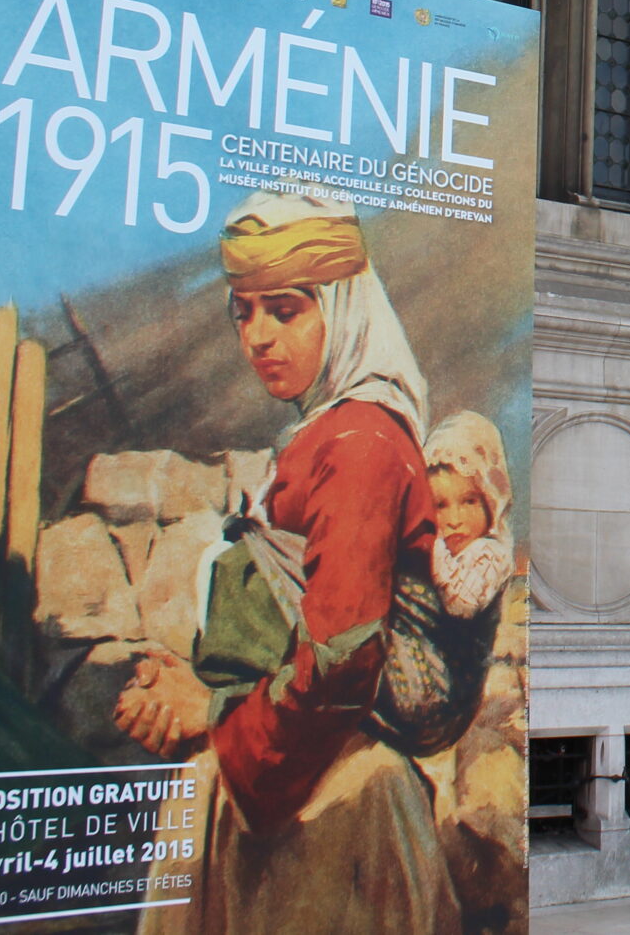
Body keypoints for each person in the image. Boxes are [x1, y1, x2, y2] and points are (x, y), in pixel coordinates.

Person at [116, 190, 459, 935]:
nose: (258, 337)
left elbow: (341, 659)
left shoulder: (359, 445)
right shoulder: (322, 437)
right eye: (243, 312)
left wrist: (207, 713)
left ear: (340, 308)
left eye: (285, 309)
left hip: (326, 806)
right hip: (292, 775)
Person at [425, 411, 515, 621]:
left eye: (469, 501)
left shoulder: (491, 554)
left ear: (490, 500)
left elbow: (462, 604)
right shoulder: (445, 552)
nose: (454, 520)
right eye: (440, 505)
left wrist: (433, 547)